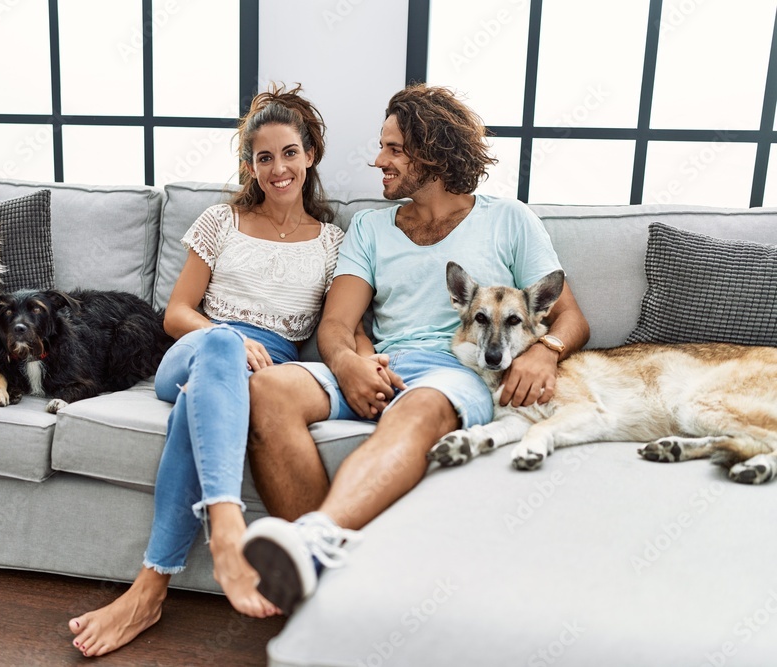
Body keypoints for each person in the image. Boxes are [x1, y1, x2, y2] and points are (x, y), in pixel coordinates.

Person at [240, 84, 591, 614]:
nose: (378, 160)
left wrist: (547, 351)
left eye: (394, 149)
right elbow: (336, 322)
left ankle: (315, 543)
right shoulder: (369, 227)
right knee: (267, 389)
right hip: (379, 362)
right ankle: (326, 580)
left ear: (434, 151)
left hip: (454, 370)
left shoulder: (509, 219)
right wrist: (350, 363)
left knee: (423, 406)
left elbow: (569, 316)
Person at [68, 84, 346, 657]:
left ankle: (147, 594)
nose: (277, 168)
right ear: (250, 165)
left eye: (289, 153)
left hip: (262, 372)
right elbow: (175, 314)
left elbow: (336, 329)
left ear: (310, 154)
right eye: (263, 157)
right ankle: (226, 523)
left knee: (199, 407)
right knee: (217, 351)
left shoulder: (334, 244)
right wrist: (228, 337)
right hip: (197, 347)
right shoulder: (222, 221)